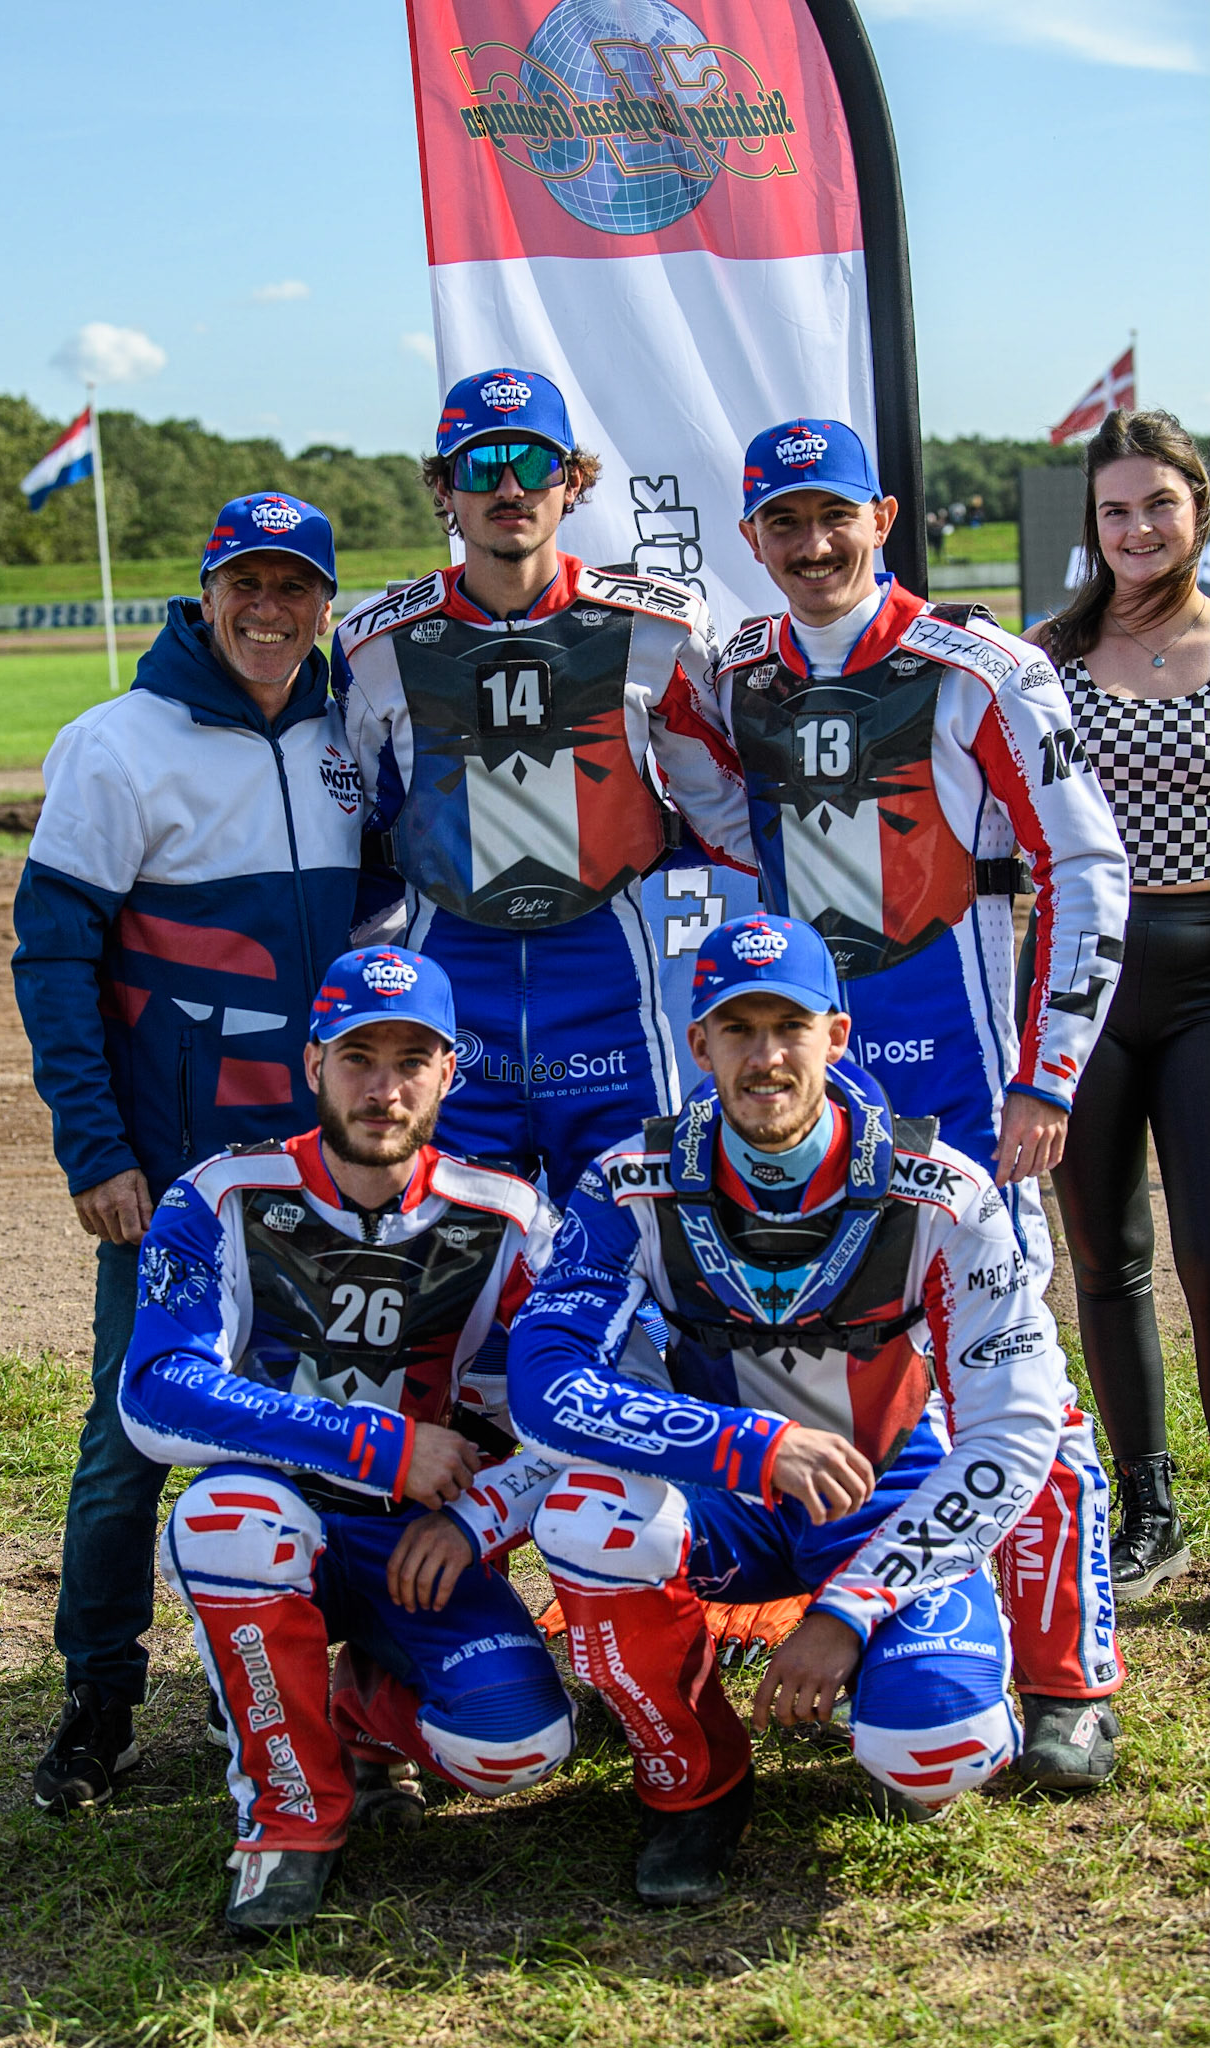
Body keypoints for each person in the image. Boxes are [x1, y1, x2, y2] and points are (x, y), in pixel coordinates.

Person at [712, 418, 1130, 1786]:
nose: (814, 545)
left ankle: (1071, 1678)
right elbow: (721, 826)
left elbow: (1088, 870)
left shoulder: (984, 669)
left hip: (961, 1085)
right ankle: (856, 1603)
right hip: (800, 1084)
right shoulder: (737, 678)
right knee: (823, 1344)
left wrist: (1044, 1077)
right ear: (750, 534)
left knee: (1019, 1375)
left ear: (881, 516)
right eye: (785, 523)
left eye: (835, 516)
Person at [507, 914, 1066, 1906]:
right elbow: (545, 1384)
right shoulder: (627, 1181)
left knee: (942, 1744)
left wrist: (848, 1613)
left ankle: (883, 1678)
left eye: (790, 1026)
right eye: (738, 1028)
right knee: (586, 1515)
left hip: (885, 1489)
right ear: (698, 1044)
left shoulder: (943, 1189)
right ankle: (693, 1779)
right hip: (728, 1494)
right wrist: (749, 1442)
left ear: (836, 1036)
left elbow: (1014, 1427)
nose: (766, 1056)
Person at [12, 494, 366, 1811]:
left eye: (297, 590)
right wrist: (96, 1151)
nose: (271, 614)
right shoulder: (114, 746)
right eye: (248, 587)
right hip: (176, 1186)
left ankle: (334, 1687)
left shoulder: (350, 738)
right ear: (205, 590)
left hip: (334, 1172)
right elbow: (52, 960)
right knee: (135, 1433)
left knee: (339, 1420)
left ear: (325, 603)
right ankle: (98, 1701)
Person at [118, 945, 572, 1932]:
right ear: (312, 1060)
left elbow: (568, 1415)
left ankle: (363, 1706)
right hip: (284, 1520)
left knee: (518, 1747)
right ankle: (287, 1815)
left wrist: (478, 1521)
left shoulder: (511, 1216)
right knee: (225, 1517)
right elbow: (155, 1395)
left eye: (413, 1058)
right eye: (358, 1054)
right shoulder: (220, 1197)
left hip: (422, 1540)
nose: (385, 1085)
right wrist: (374, 1442)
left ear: (450, 1071)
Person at [331, 366, 754, 1201]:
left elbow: (727, 817)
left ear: (574, 483)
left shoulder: (658, 629)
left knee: (634, 1247)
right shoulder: (373, 648)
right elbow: (355, 833)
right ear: (445, 490)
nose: (511, 487)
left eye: (534, 463)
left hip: (612, 994)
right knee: (455, 1265)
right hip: (450, 1001)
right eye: (481, 467)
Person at [1024, 408, 1210, 1598]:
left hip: (1205, 969)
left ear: (1197, 507)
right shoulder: (1045, 653)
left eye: (1159, 503)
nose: (1138, 526)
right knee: (1104, 1253)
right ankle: (1150, 1507)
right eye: (1115, 509)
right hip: (1085, 975)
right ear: (1093, 525)